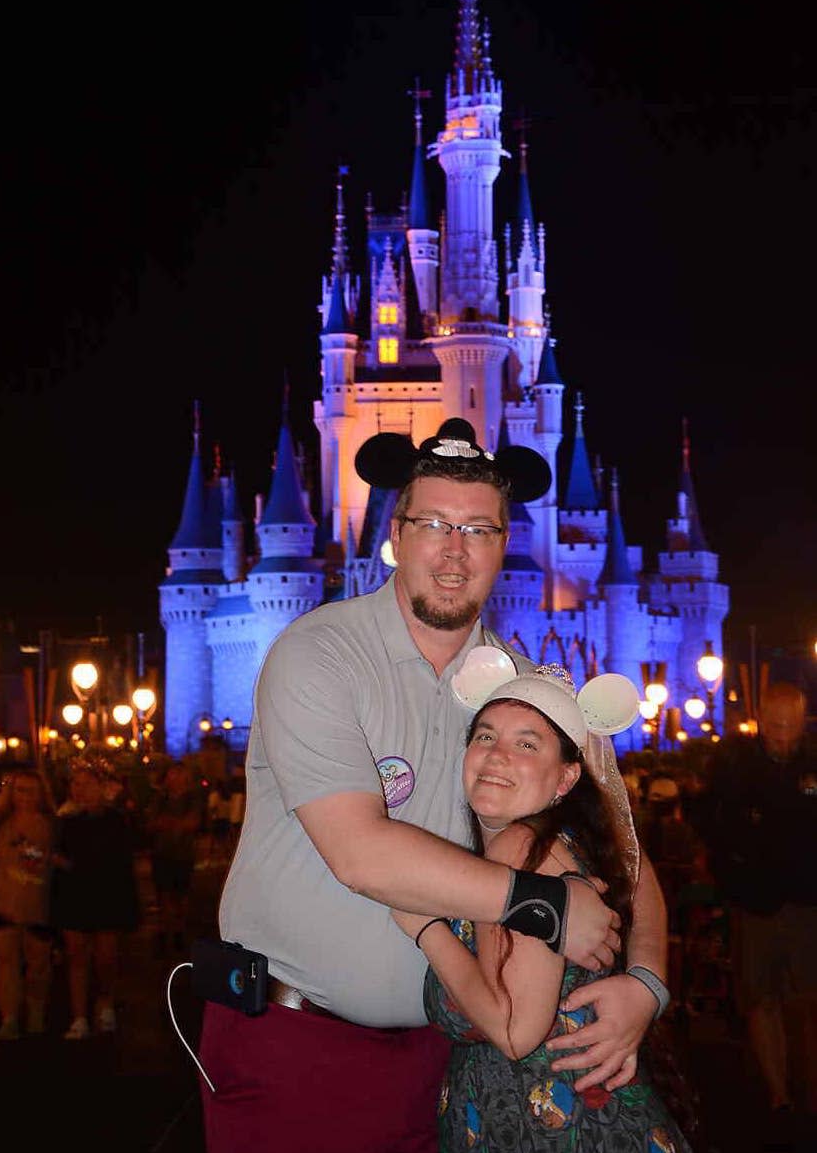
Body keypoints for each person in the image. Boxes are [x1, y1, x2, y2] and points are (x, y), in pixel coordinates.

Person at [202, 419, 669, 1153]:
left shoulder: (520, 689)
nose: (454, 551)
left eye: (479, 529)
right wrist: (544, 906)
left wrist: (646, 981)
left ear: (504, 543)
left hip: (444, 1067)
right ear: (396, 531)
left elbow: (627, 851)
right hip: (296, 1044)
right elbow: (360, 854)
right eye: (434, 524)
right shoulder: (320, 653)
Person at [391, 668, 693, 1151]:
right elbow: (641, 878)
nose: (496, 754)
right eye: (485, 735)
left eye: (527, 744)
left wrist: (424, 926)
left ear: (567, 776)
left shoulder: (523, 848)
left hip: (547, 1128)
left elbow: (513, 1031)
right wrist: (648, 984)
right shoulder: (569, 845)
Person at [697, 681, 817, 1137]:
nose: (783, 736)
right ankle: (779, 1097)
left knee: (807, 1001)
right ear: (762, 721)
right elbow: (710, 819)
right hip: (756, 903)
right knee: (761, 999)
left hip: (808, 902)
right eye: (776, 726)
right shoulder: (736, 765)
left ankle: (808, 1091)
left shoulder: (812, 760)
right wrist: (734, 870)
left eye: (791, 726)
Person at [51, 757, 140, 1039]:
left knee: (105, 956)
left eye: (87, 784)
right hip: (73, 894)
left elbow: (119, 859)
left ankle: (105, 1003)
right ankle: (79, 1016)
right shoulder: (64, 819)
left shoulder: (115, 820)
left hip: (105, 894)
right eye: (76, 784)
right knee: (76, 955)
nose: (80, 790)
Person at [0, 767, 57, 1040]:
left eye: (31, 790)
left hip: (39, 904)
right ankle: (9, 1019)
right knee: (5, 961)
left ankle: (36, 1016)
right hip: (2, 902)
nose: (25, 796)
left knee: (38, 962)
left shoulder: (52, 824)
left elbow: (58, 862)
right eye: (19, 790)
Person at [146, 758, 205, 954]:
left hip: (183, 854)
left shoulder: (193, 798)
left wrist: (170, 823)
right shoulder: (160, 798)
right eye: (173, 773)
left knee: (181, 895)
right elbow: (151, 822)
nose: (176, 777)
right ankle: (165, 931)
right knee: (163, 895)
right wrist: (174, 823)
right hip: (162, 852)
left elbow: (193, 822)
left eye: (180, 773)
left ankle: (179, 932)